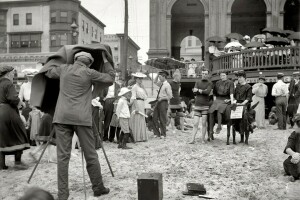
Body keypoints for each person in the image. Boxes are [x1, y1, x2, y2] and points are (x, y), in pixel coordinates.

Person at [45, 51, 113, 199]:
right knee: (90, 154)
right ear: (89, 62)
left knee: (63, 157)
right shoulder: (90, 72)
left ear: (75, 59)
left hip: (62, 117)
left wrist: (61, 58)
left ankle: (63, 194)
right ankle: (98, 187)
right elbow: (110, 78)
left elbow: (48, 72)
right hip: (82, 118)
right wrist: (106, 62)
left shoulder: (64, 68)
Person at [0, 66, 30, 170]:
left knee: (2, 138)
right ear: (8, 74)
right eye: (13, 73)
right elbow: (13, 98)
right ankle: (18, 162)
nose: (14, 75)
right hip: (8, 112)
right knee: (19, 133)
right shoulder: (8, 83)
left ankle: (1, 164)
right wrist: (21, 103)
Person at [189, 69, 213, 144]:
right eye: (203, 73)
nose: (204, 75)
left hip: (205, 105)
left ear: (208, 75)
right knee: (195, 123)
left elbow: (207, 92)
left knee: (203, 123)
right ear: (201, 74)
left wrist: (198, 90)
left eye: (205, 74)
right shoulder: (198, 82)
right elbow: (194, 91)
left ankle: (202, 139)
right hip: (197, 105)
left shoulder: (210, 83)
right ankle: (192, 139)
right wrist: (202, 91)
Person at [152, 70, 173, 139]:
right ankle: (157, 133)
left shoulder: (167, 85)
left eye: (160, 77)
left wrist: (163, 98)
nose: (159, 78)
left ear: (164, 77)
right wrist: (157, 74)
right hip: (158, 101)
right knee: (154, 117)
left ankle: (163, 134)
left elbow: (170, 96)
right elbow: (154, 82)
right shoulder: (161, 84)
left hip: (163, 102)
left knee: (162, 118)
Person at [129, 72, 148, 142]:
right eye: (139, 79)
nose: (141, 80)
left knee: (141, 119)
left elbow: (146, 95)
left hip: (142, 103)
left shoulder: (141, 87)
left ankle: (142, 136)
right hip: (137, 103)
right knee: (137, 119)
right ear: (136, 79)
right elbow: (133, 97)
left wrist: (143, 87)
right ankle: (136, 137)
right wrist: (136, 107)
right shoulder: (134, 87)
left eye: (141, 79)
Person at [103, 76, 121, 142]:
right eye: (113, 77)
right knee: (107, 119)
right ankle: (105, 137)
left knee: (114, 119)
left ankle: (111, 137)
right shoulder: (105, 84)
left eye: (115, 77)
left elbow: (119, 94)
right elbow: (101, 93)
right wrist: (103, 99)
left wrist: (117, 100)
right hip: (107, 101)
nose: (114, 78)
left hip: (115, 101)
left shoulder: (118, 85)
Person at [283, 113, 300, 182]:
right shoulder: (294, 134)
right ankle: (296, 174)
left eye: (295, 125)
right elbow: (288, 148)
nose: (293, 127)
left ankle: (295, 175)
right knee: (287, 163)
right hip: (297, 159)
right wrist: (294, 155)